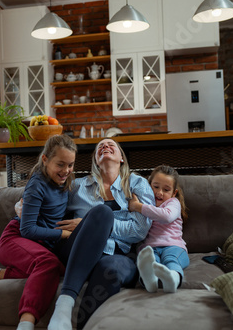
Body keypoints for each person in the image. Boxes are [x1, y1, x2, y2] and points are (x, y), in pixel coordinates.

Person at [0, 134, 77, 330]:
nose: (66, 171)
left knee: (60, 268)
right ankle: (25, 323)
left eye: (70, 165)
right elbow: (27, 230)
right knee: (48, 264)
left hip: (39, 246)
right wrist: (63, 234)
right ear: (45, 159)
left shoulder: (68, 182)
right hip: (15, 239)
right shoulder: (37, 184)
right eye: (61, 164)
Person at [47, 138, 154, 330]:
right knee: (101, 212)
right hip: (78, 249)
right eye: (100, 147)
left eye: (111, 145)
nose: (105, 146)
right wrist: (20, 206)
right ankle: (64, 304)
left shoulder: (138, 183)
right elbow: (48, 203)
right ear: (96, 161)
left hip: (118, 255)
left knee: (110, 269)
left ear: (121, 157)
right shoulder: (78, 186)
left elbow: (139, 230)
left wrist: (93, 224)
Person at [128, 164, 189, 293]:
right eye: (155, 187)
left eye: (166, 190)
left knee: (171, 259)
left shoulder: (173, 203)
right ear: (148, 185)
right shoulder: (146, 202)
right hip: (150, 248)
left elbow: (166, 216)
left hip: (174, 246)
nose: (159, 193)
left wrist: (137, 206)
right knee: (149, 262)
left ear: (174, 193)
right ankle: (149, 281)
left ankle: (173, 278)